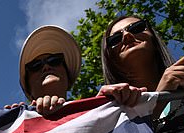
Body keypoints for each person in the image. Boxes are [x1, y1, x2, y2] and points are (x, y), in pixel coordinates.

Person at [13, 25, 143, 115]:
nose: (46, 67)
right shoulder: (15, 120)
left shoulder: (100, 110)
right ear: (27, 89)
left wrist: (102, 106)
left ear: (68, 78)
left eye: (54, 60)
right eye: (35, 66)